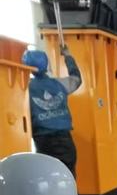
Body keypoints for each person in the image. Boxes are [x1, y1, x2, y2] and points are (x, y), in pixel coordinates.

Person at [22, 47, 82, 177]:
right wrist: (68, 56)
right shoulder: (60, 84)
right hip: (65, 141)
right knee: (68, 178)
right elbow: (77, 79)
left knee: (48, 179)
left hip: (43, 143)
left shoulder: (24, 89)